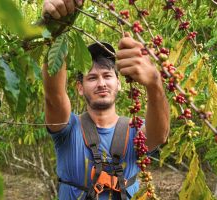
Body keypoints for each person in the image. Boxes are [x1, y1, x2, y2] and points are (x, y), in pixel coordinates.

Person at [42, 0, 170, 199]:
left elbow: (159, 134)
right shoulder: (68, 129)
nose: (101, 83)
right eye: (92, 77)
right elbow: (54, 96)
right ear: (80, 88)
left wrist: (155, 85)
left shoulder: (135, 130)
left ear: (119, 83)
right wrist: (56, 31)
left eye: (107, 76)